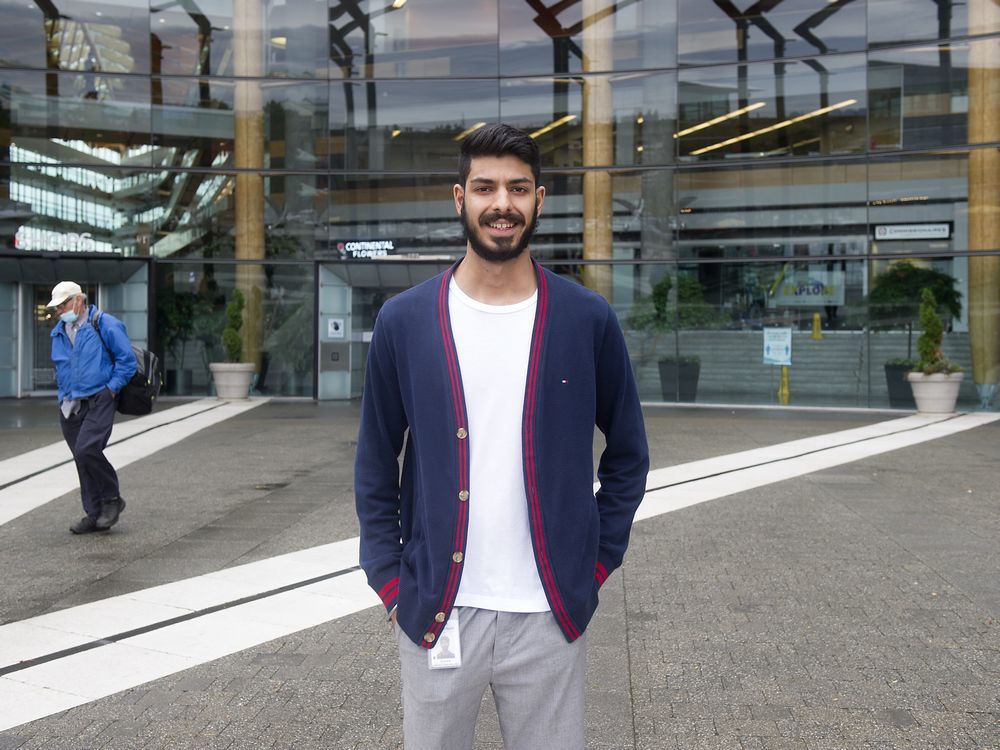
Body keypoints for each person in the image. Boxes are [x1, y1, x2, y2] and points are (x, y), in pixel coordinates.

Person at [354, 123, 649, 749]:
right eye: (485, 187)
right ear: (458, 197)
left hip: (549, 614)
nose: (502, 204)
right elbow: (376, 462)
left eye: (518, 189)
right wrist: (388, 578)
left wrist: (593, 564)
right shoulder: (405, 322)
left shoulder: (585, 319)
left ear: (539, 199)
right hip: (436, 612)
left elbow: (628, 455)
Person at [48, 281, 136, 534]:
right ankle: (94, 513)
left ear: (78, 300)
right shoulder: (59, 331)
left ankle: (112, 499)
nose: (59, 311)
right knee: (81, 459)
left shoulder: (104, 323)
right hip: (70, 404)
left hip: (99, 398)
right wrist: (63, 397)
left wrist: (111, 390)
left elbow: (127, 362)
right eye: (57, 307)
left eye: (62, 304)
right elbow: (62, 367)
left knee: (87, 449)